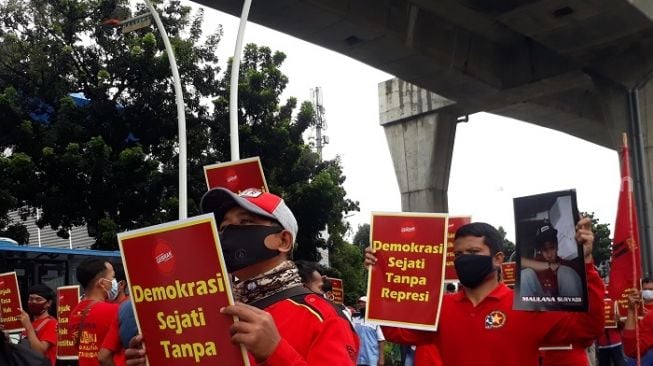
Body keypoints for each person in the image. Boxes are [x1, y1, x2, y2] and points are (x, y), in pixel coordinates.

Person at [125, 187, 359, 365]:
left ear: (283, 240)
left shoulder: (324, 317)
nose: (229, 234)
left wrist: (275, 351)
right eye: (224, 227)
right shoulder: (208, 313)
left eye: (245, 222)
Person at [365, 218, 604, 365]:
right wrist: (379, 277)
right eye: (458, 255)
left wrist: (587, 264)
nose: (463, 260)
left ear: (498, 259)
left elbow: (588, 327)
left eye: (473, 253)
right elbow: (396, 331)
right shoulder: (440, 308)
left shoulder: (526, 304)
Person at [69, 257, 121, 366]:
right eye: (112, 277)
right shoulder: (114, 311)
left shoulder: (74, 312)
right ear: (102, 283)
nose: (115, 282)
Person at [520, 223, 583, 298]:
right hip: (541, 306)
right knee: (525, 274)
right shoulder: (536, 263)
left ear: (557, 247)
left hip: (565, 305)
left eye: (552, 248)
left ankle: (572, 309)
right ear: (540, 250)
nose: (549, 254)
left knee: (565, 271)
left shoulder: (566, 265)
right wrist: (548, 266)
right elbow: (521, 262)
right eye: (544, 250)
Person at [97, 263, 130, 365]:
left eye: (108, 280)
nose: (103, 284)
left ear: (121, 284)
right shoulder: (101, 306)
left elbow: (104, 356)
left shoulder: (129, 310)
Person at [17, 284, 58, 365]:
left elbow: (39, 351)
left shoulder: (52, 323)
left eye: (38, 299)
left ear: (48, 303)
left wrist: (28, 326)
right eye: (31, 299)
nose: (33, 302)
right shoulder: (29, 323)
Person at [353, 296, 385, 366]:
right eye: (360, 303)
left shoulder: (375, 321)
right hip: (357, 357)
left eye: (364, 303)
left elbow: (381, 340)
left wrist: (381, 358)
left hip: (371, 358)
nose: (361, 304)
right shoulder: (354, 319)